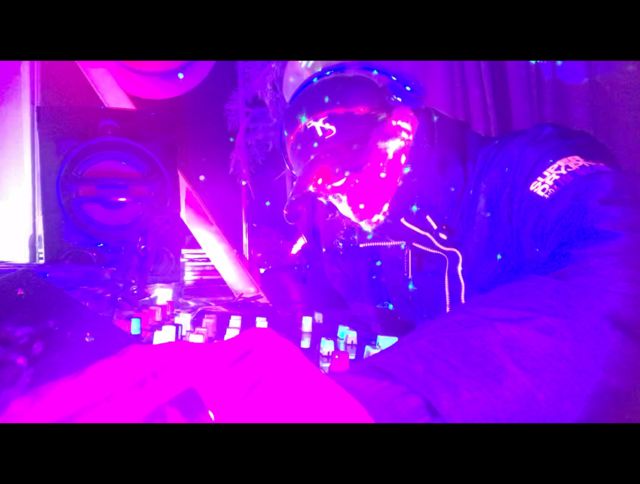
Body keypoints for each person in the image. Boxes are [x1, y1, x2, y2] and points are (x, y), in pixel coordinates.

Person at [2, 61, 640, 423]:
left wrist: (375, 394)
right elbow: (314, 297)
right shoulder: (367, 241)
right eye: (318, 178)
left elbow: (612, 282)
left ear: (400, 119)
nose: (337, 196)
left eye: (343, 157)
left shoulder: (528, 169)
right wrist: (221, 333)